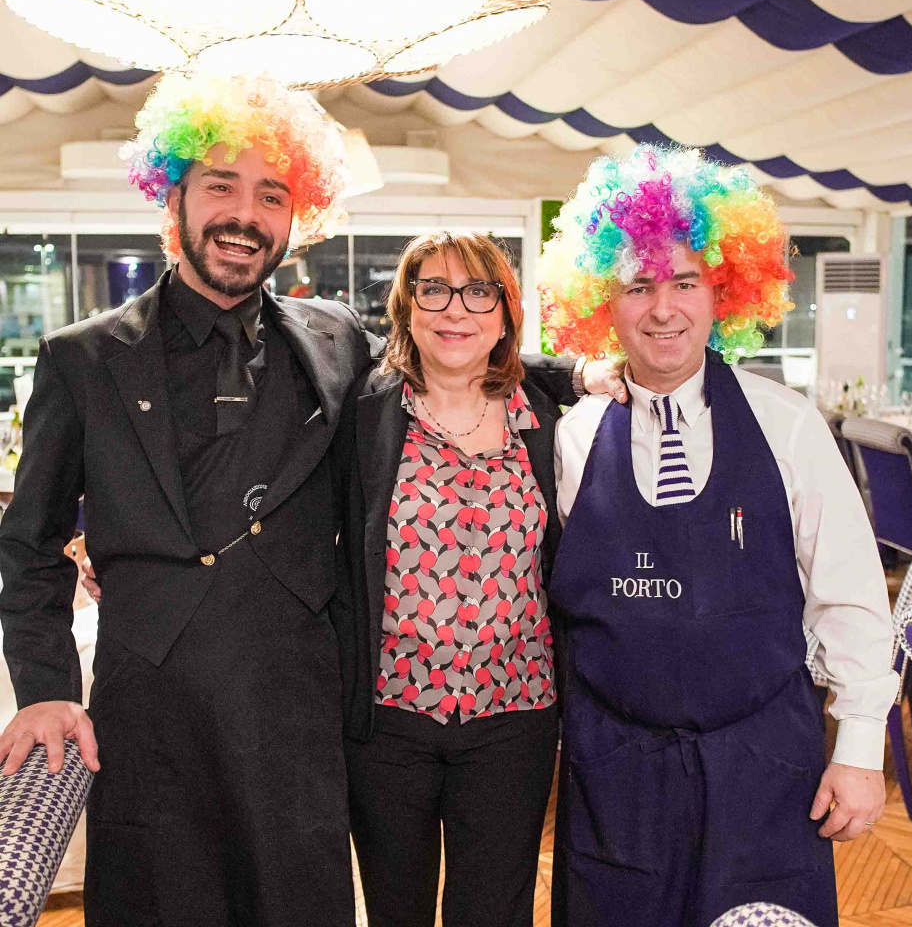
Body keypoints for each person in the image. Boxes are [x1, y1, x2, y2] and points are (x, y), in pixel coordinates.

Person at [0, 72, 598, 926]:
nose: (244, 214)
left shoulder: (334, 340)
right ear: (172, 197)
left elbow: (454, 354)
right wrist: (49, 687)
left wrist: (574, 372)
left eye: (271, 194)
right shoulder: (80, 360)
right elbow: (28, 544)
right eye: (220, 186)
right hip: (152, 712)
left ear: (296, 214)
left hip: (300, 711)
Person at [539, 145, 899, 927]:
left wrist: (862, 745)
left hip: (765, 765)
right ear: (604, 300)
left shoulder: (789, 425)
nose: (663, 308)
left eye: (685, 282)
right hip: (616, 774)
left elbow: (850, 594)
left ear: (723, 292)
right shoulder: (573, 438)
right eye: (638, 285)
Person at [333, 233, 561, 927]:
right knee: (394, 912)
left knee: (495, 914)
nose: (454, 309)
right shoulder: (363, 415)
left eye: (477, 291)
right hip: (388, 719)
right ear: (407, 307)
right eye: (433, 289)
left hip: (513, 718)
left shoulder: (549, 419)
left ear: (504, 312)